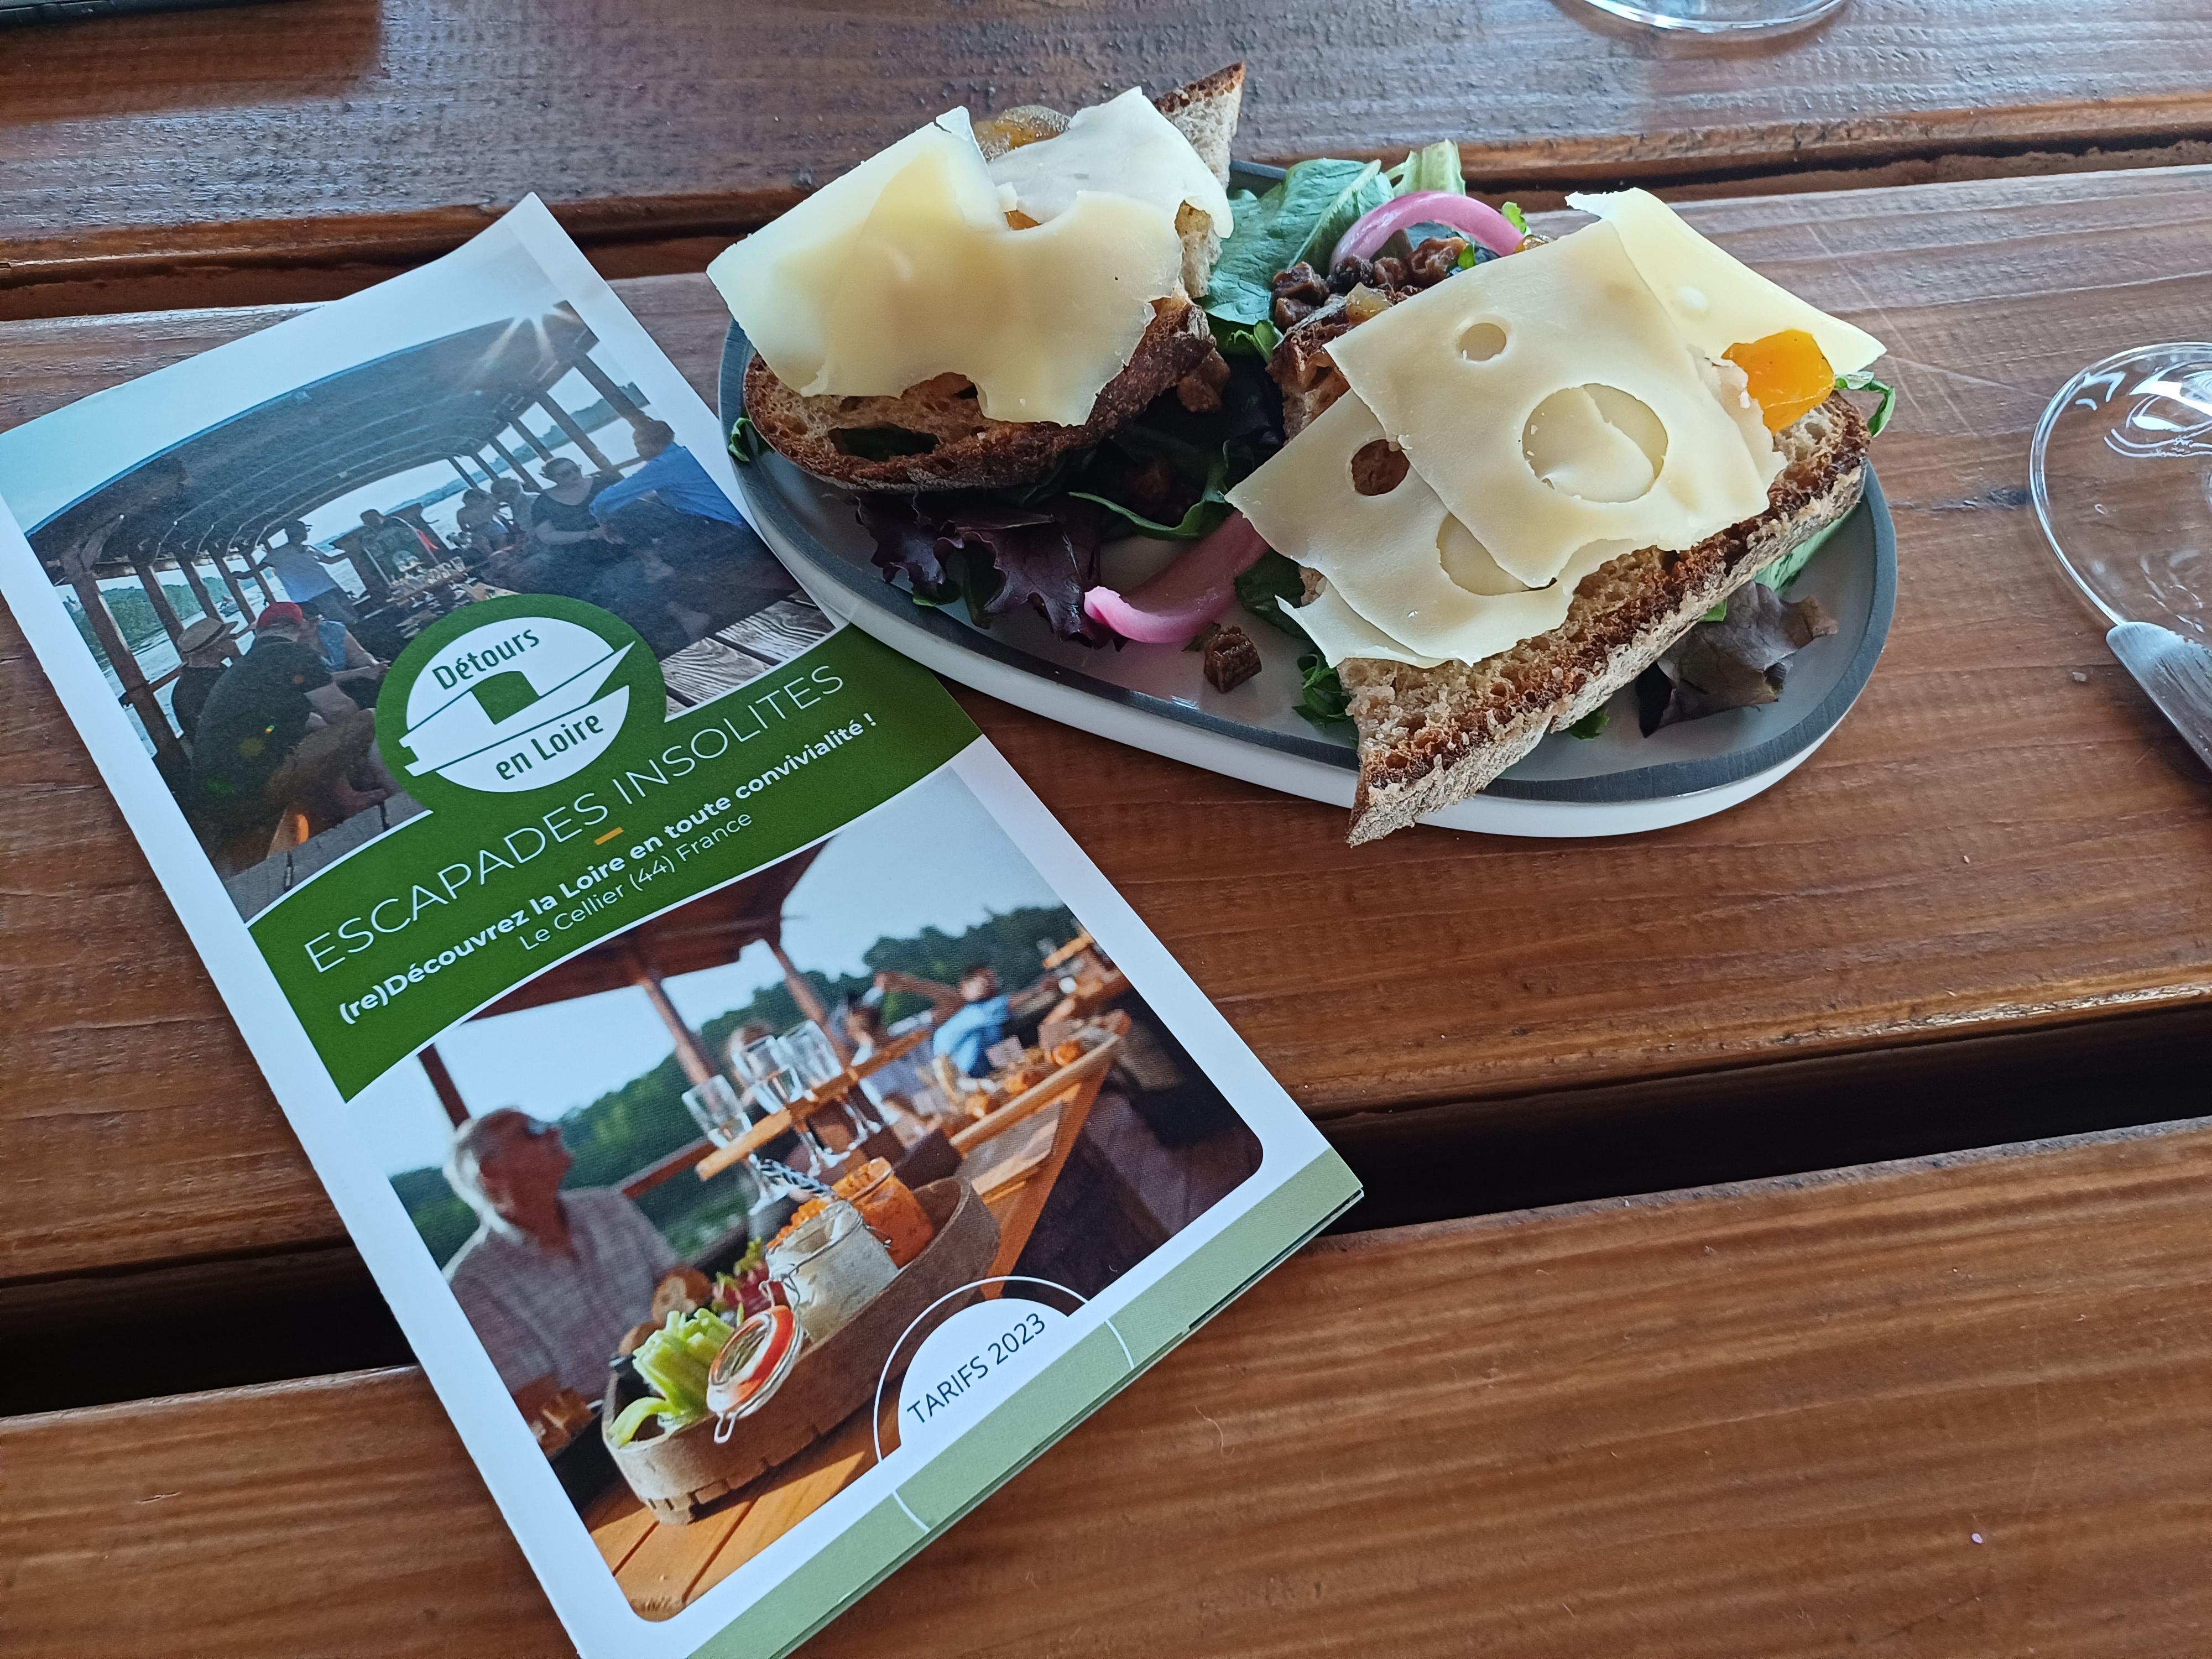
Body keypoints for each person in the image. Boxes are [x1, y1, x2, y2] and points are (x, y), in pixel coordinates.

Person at [441, 1109, 682, 1412]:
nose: (554, 1130)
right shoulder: (472, 1288)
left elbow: (683, 1285)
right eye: (533, 1130)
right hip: (618, 1428)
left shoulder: (609, 1206)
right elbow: (547, 1408)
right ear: (492, 1171)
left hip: (695, 1374)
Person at [188, 601, 392, 825]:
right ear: (300, 626)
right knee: (371, 718)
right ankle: (401, 796)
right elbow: (340, 711)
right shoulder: (294, 653)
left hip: (220, 799)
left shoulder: (245, 666)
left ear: (260, 633)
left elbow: (306, 721)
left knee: (323, 736)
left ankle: (350, 799)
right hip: (257, 788)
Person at [875, 963, 1057, 1077]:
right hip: (975, 1073)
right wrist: (1041, 989)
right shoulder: (968, 1012)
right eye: (982, 980)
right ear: (964, 987)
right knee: (1039, 1026)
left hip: (991, 1063)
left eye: (991, 979)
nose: (989, 985)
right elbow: (1004, 1005)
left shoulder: (978, 1015)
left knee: (1037, 1028)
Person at [589, 420, 749, 530]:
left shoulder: (663, 465)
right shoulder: (688, 453)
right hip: (745, 511)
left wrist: (595, 518)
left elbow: (606, 500)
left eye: (639, 444)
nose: (638, 451)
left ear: (654, 442)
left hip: (737, 522)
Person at [251, 519, 362, 626]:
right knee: (347, 622)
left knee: (352, 617)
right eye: (305, 530)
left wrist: (350, 553)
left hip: (331, 589)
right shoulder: (276, 554)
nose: (306, 533)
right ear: (297, 532)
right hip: (312, 596)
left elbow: (330, 560)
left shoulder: (310, 549)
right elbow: (252, 572)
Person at [296, 598, 387, 705]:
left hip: (355, 679)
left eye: (316, 621)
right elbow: (320, 680)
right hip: (323, 692)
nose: (314, 626)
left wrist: (374, 665)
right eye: (308, 624)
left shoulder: (332, 628)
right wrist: (362, 672)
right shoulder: (293, 649)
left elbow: (358, 655)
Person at [166, 615, 237, 744]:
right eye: (231, 637)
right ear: (218, 646)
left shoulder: (207, 675)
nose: (233, 641)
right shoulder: (203, 686)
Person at [357, 508, 427, 580]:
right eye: (368, 521)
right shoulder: (368, 537)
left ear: (380, 516)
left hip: (412, 552)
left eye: (372, 518)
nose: (371, 521)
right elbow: (377, 555)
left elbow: (414, 537)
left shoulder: (395, 522)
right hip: (391, 560)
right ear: (365, 524)